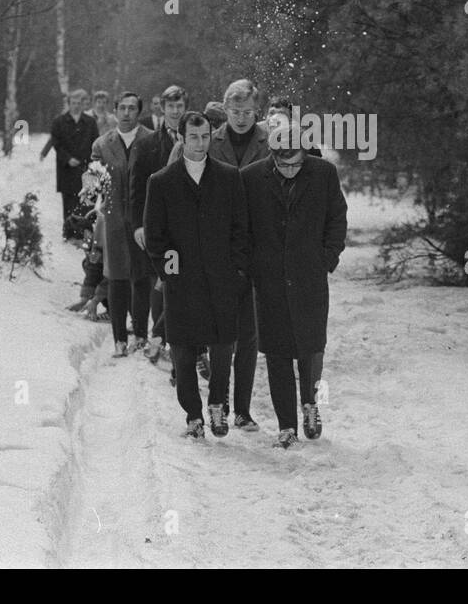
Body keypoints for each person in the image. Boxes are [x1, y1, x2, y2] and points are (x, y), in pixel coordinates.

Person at [144, 111, 250, 438]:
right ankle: (193, 415)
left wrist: (235, 268)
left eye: (205, 137)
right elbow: (155, 235)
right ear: (181, 137)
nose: (200, 143)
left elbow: (240, 228)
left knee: (222, 347)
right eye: (193, 137)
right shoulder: (161, 182)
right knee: (184, 351)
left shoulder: (229, 177)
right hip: (182, 283)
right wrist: (170, 269)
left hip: (221, 281)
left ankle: (218, 404)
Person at [242, 127, 347, 448]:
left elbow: (337, 219)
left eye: (296, 164)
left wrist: (326, 258)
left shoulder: (324, 174)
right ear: (272, 156)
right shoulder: (250, 178)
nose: (289, 170)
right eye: (282, 165)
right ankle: (286, 426)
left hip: (309, 277)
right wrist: (251, 267)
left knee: (311, 348)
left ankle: (311, 406)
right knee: (276, 353)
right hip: (269, 280)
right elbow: (242, 228)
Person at [207, 79, 271, 430]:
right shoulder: (211, 140)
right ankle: (217, 403)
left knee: (249, 334)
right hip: (220, 244)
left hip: (258, 245)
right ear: (225, 110)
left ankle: (243, 410)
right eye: (235, 112)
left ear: (256, 112)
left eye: (248, 112)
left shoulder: (269, 139)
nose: (242, 118)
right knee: (221, 332)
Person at [90, 91, 154, 356]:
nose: (127, 113)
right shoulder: (103, 144)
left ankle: (140, 334)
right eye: (122, 108)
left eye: (132, 108)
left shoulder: (151, 140)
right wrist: (91, 181)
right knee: (116, 277)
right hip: (114, 217)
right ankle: (119, 339)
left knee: (141, 277)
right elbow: (93, 174)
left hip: (142, 218)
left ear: (139, 112)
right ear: (115, 111)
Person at [131, 85, 187, 362]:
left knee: (178, 282)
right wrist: (138, 226)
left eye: (180, 106)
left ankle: (165, 337)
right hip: (157, 224)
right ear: (161, 109)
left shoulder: (197, 139)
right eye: (171, 106)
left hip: (186, 226)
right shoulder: (147, 144)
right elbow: (136, 189)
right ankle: (158, 338)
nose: (175, 111)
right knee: (159, 280)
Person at [40, 89, 98, 240]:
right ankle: (68, 231)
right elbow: (56, 143)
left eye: (79, 103)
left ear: (83, 104)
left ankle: (83, 232)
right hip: (66, 167)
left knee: (86, 200)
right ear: (68, 104)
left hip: (85, 167)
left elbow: (95, 143)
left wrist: (88, 160)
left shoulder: (90, 122)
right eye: (73, 103)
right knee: (68, 200)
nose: (76, 106)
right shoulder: (59, 122)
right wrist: (67, 159)